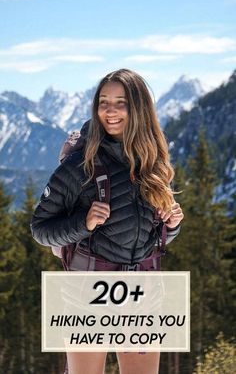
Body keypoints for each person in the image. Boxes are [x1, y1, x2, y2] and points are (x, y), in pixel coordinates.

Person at [31, 68, 184, 374]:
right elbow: (40, 230)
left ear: (139, 108)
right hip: (88, 292)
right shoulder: (80, 164)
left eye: (121, 102)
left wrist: (171, 224)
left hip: (142, 291)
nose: (110, 111)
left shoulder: (152, 163)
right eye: (104, 102)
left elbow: (146, 236)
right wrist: (83, 223)